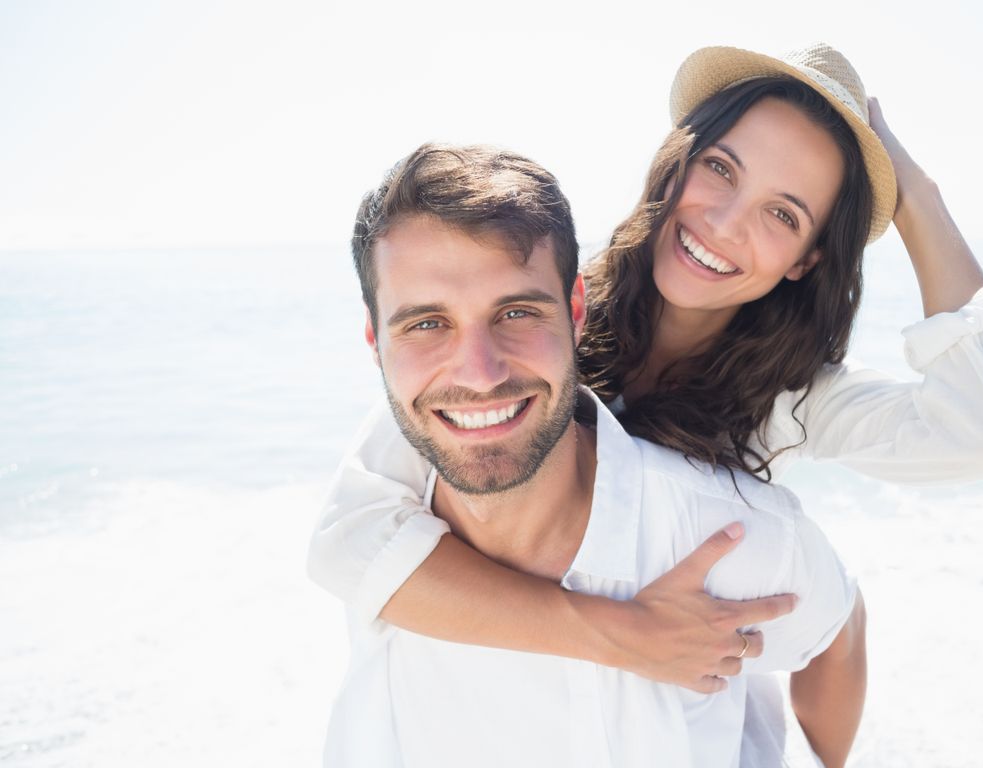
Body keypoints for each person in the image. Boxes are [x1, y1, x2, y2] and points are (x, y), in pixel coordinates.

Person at [310, 41, 983, 695]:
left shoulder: (793, 403)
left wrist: (919, 202)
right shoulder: (534, 319)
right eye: (720, 169)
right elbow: (349, 541)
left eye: (783, 215)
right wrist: (619, 633)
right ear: (678, 160)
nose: (724, 223)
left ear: (808, 260)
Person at [324, 142, 864, 768]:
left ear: (576, 311)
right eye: (426, 324)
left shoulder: (725, 535)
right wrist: (625, 634)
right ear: (375, 340)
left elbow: (838, 631)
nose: (478, 373)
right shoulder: (381, 522)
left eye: (517, 312)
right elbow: (339, 548)